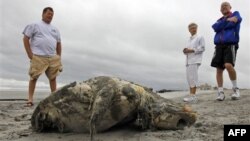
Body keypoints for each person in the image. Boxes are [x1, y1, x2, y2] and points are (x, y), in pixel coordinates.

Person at [22, 7, 62, 106]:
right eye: (48, 14)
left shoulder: (55, 29)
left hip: (52, 57)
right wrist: (30, 54)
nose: (50, 16)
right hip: (38, 56)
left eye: (52, 15)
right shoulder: (34, 25)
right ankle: (30, 99)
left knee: (53, 78)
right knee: (33, 77)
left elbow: (59, 43)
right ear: (43, 14)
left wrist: (58, 56)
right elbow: (26, 38)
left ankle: (54, 98)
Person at [211, 2, 242, 101]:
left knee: (228, 65)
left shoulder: (236, 13)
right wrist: (227, 21)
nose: (224, 7)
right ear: (220, 10)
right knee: (219, 69)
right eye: (222, 6)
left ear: (230, 7)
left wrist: (226, 22)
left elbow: (237, 19)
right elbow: (215, 27)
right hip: (219, 46)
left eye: (226, 5)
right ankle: (220, 92)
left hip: (231, 44)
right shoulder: (219, 20)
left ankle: (236, 89)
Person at [183, 23, 205, 103]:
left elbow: (202, 48)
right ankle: (191, 95)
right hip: (188, 61)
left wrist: (191, 50)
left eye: (194, 27)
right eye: (191, 28)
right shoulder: (189, 39)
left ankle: (193, 96)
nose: (193, 29)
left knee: (193, 78)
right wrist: (185, 51)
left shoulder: (200, 37)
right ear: (189, 30)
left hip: (195, 60)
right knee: (189, 78)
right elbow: (188, 50)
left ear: (197, 28)